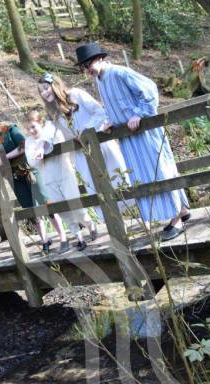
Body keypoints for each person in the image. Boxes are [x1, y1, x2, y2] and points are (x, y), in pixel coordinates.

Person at [75, 42, 190, 241]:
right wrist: (110, 121)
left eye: (89, 64)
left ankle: (177, 218)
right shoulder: (100, 81)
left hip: (144, 134)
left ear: (99, 58)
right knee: (145, 176)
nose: (88, 70)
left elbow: (149, 90)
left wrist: (139, 114)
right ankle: (182, 209)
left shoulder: (119, 72)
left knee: (159, 169)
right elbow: (114, 105)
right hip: (128, 138)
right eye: (84, 67)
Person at [37, 72, 133, 222]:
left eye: (45, 88)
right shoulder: (52, 112)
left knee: (119, 181)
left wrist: (85, 131)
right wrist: (42, 147)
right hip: (82, 154)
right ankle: (115, 226)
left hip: (101, 145)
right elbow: (48, 133)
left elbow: (100, 112)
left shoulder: (76, 94)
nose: (44, 93)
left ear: (54, 85)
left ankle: (140, 220)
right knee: (96, 189)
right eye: (41, 91)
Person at [0, 104, 56, 254]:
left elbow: (24, 145)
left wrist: (4, 157)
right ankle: (44, 240)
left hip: (29, 171)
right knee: (28, 207)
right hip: (12, 177)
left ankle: (62, 236)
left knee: (44, 201)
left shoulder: (9, 129)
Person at [24, 109, 96, 252]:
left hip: (64, 174)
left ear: (40, 122)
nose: (31, 131)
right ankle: (79, 237)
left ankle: (90, 225)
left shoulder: (51, 130)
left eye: (33, 126)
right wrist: (37, 152)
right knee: (63, 211)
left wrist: (42, 148)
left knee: (75, 205)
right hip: (48, 180)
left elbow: (54, 140)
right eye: (27, 129)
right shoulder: (28, 141)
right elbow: (31, 161)